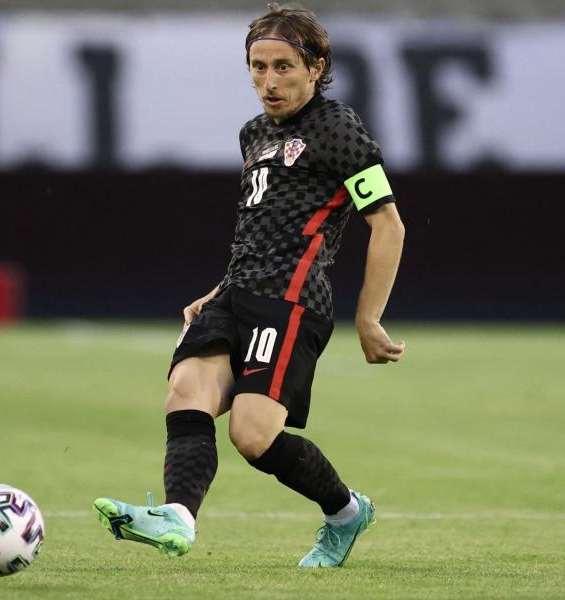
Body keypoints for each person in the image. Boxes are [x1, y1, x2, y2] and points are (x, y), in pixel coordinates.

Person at [93, 2, 406, 568]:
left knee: (253, 436)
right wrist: (220, 288)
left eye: (283, 66)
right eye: (258, 67)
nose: (269, 81)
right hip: (237, 292)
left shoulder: (339, 130)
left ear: (316, 67)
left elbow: (388, 223)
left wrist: (369, 318)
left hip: (292, 300)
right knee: (186, 391)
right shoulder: (254, 134)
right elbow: (262, 229)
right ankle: (179, 519)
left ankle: (345, 512)